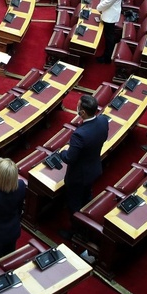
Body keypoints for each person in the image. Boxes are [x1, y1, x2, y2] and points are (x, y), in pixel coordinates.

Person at [57, 95, 107, 233]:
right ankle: (86, 217)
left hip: (78, 177)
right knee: (87, 195)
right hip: (94, 168)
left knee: (74, 204)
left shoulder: (80, 135)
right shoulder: (103, 121)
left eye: (78, 106)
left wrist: (62, 153)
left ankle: (75, 232)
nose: (76, 107)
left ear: (83, 112)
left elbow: (69, 158)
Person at [96, 0, 126, 64]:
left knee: (109, 36)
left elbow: (109, 1)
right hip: (107, 11)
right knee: (108, 34)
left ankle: (107, 57)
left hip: (110, 14)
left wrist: (98, 7)